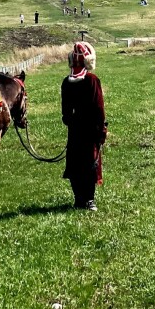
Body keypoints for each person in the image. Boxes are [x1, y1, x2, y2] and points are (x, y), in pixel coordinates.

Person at [60, 42, 107, 210]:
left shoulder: (66, 82)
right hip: (90, 130)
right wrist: (101, 130)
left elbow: (65, 114)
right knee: (89, 164)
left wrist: (72, 121)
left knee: (75, 164)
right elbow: (99, 108)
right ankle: (89, 199)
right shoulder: (92, 80)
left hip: (74, 131)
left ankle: (78, 199)